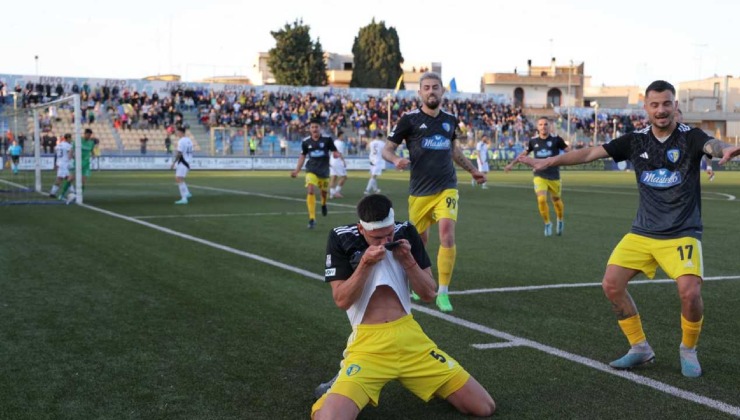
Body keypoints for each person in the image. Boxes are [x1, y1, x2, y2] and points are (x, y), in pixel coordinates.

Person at [515, 80, 740, 377]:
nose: (661, 110)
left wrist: (727, 148)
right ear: (645, 108)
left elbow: (713, 145)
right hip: (643, 232)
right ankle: (640, 348)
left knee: (690, 292)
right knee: (611, 284)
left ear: (675, 106)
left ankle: (688, 349)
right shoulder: (635, 140)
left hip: (682, 231)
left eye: (666, 103)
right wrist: (549, 161)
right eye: (655, 104)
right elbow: (588, 154)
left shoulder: (691, 137)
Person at [311, 194, 495, 419]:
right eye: (377, 237)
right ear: (361, 229)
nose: (385, 241)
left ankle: (428, 381)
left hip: (410, 338)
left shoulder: (406, 231)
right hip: (369, 344)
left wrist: (408, 260)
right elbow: (341, 299)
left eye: (389, 233)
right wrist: (365, 264)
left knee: (484, 407)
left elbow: (428, 293)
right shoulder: (341, 237)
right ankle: (336, 388)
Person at [382, 71, 487, 312]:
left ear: (442, 91)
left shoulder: (450, 119)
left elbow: (454, 151)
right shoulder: (408, 119)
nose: (431, 91)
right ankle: (412, 282)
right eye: (426, 87)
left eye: (435, 87)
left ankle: (443, 292)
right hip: (419, 191)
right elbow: (387, 150)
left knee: (447, 234)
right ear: (420, 92)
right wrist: (395, 160)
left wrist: (473, 171)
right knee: (418, 241)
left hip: (446, 187)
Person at [505, 117, 570, 236]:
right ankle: (547, 223)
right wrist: (511, 164)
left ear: (549, 126)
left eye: (545, 124)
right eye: (540, 124)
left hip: (554, 175)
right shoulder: (533, 141)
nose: (543, 126)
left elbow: (569, 151)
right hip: (539, 175)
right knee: (541, 199)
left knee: (556, 201)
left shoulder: (557, 140)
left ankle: (560, 220)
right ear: (537, 127)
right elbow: (523, 155)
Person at [291, 119, 340, 229]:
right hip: (311, 170)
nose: (314, 129)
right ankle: (312, 218)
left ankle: (323, 204)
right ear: (310, 129)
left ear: (320, 128)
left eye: (316, 127)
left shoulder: (327, 140)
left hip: (324, 171)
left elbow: (334, 151)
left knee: (323, 192)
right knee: (311, 189)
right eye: (312, 127)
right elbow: (302, 156)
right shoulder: (306, 142)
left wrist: (336, 154)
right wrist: (297, 170)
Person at [676, 108, 715, 181]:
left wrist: (709, 167)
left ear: (682, 118)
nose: (673, 118)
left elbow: (708, 147)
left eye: (676, 115)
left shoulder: (693, 134)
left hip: (688, 184)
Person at [60, 128, 96, 203]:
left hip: (86, 164)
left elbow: (92, 151)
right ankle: (62, 194)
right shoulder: (78, 140)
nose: (89, 136)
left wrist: (93, 155)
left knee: (83, 181)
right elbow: (72, 150)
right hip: (77, 163)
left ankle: (80, 197)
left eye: (90, 135)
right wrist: (69, 158)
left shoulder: (91, 143)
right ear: (84, 134)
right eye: (88, 135)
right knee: (70, 179)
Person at [170, 125, 194, 205]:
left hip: (183, 162)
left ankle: (184, 198)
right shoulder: (189, 140)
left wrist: (174, 163)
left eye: (177, 131)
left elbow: (179, 153)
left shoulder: (181, 141)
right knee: (180, 178)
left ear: (180, 132)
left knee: (178, 179)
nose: (176, 133)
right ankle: (187, 193)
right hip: (188, 161)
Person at [329, 130, 348, 199]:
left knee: (333, 177)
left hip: (332, 161)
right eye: (343, 135)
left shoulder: (334, 142)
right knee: (344, 177)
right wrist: (343, 161)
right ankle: (336, 192)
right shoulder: (340, 143)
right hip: (337, 162)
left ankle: (331, 194)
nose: (344, 137)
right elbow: (339, 153)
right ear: (340, 135)